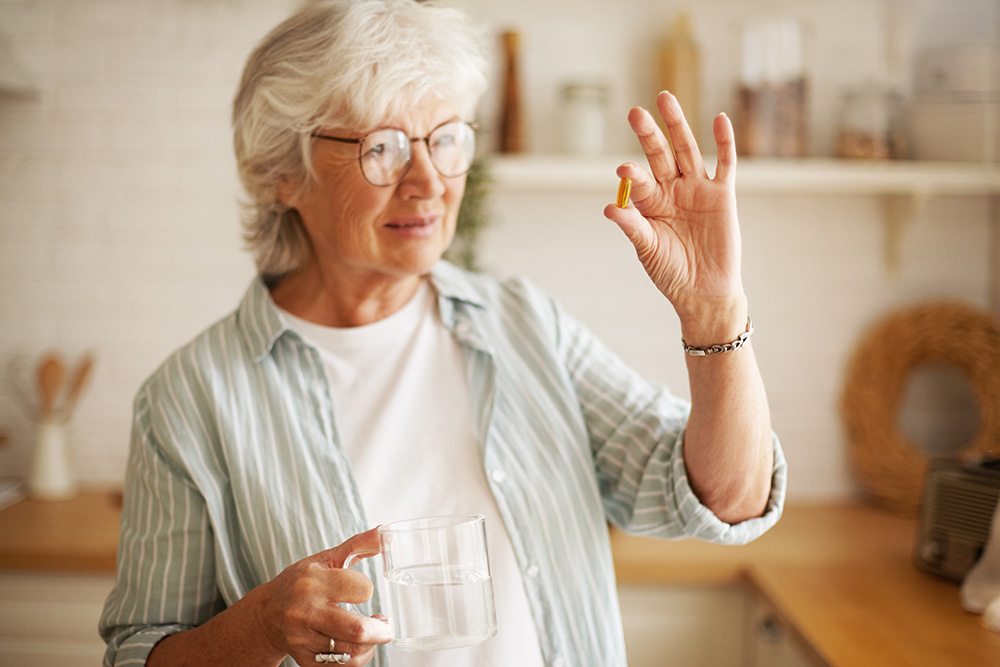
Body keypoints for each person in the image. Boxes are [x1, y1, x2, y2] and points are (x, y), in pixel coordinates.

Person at [99, 1, 787, 666]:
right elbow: (138, 653)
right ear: (282, 172)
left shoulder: (524, 325)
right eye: (383, 148)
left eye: (446, 138)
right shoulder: (188, 399)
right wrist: (262, 624)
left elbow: (729, 497)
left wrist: (716, 313)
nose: (428, 182)